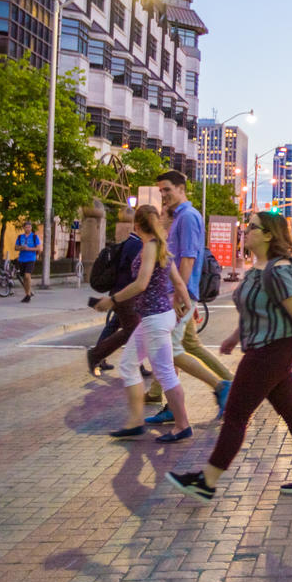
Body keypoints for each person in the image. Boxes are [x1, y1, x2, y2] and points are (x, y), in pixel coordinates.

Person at [168, 212, 292, 500]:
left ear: (269, 235)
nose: (246, 231)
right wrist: (234, 337)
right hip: (264, 349)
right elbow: (254, 311)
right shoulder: (259, 268)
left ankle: (207, 481)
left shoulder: (280, 270)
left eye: (252, 227)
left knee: (235, 415)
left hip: (270, 352)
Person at [94, 205, 193, 442]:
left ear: (136, 225)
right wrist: (187, 305)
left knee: (166, 372)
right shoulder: (161, 247)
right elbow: (178, 282)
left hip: (155, 319)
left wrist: (112, 300)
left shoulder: (150, 247)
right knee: (129, 365)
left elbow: (141, 283)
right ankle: (135, 422)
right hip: (155, 317)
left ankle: (182, 425)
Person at [144, 171, 232, 422]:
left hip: (180, 294)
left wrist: (180, 294)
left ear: (182, 188)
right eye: (161, 191)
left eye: (168, 190)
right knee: (188, 345)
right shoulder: (178, 217)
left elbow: (188, 258)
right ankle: (170, 401)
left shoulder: (189, 217)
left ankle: (221, 386)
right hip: (177, 292)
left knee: (170, 349)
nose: (164, 195)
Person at [86, 220, 143, 377]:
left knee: (121, 327)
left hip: (123, 295)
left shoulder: (131, 243)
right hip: (126, 295)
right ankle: (97, 354)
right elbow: (138, 275)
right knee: (134, 331)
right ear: (138, 227)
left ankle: (100, 356)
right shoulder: (136, 245)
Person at [14, 222, 41, 302]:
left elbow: (38, 248)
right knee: (24, 278)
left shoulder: (34, 237)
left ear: (31, 228)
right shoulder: (20, 237)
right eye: (26, 227)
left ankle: (28, 295)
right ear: (24, 228)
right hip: (22, 259)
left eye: (29, 227)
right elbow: (15, 247)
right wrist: (22, 247)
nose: (28, 229)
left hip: (31, 259)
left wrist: (29, 249)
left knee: (27, 275)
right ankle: (27, 294)